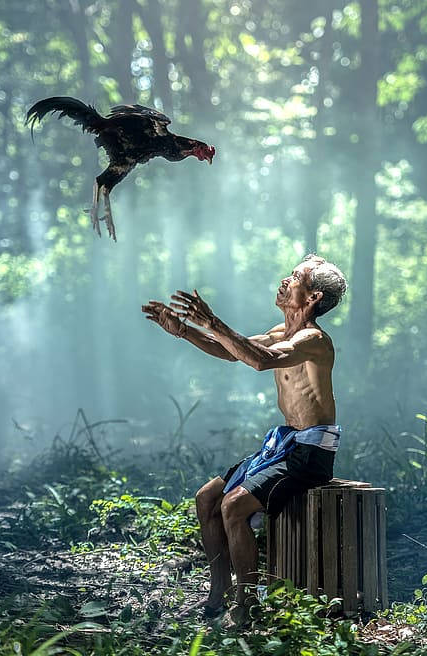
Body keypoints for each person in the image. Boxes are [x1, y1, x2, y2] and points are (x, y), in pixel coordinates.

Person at [141, 253, 348, 625]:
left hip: (310, 452)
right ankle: (216, 595)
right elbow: (230, 350)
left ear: (313, 297)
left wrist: (213, 321)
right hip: (285, 444)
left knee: (234, 506)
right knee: (207, 498)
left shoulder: (314, 339)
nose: (285, 281)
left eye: (295, 277)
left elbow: (261, 360)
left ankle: (245, 603)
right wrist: (185, 330)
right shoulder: (280, 330)